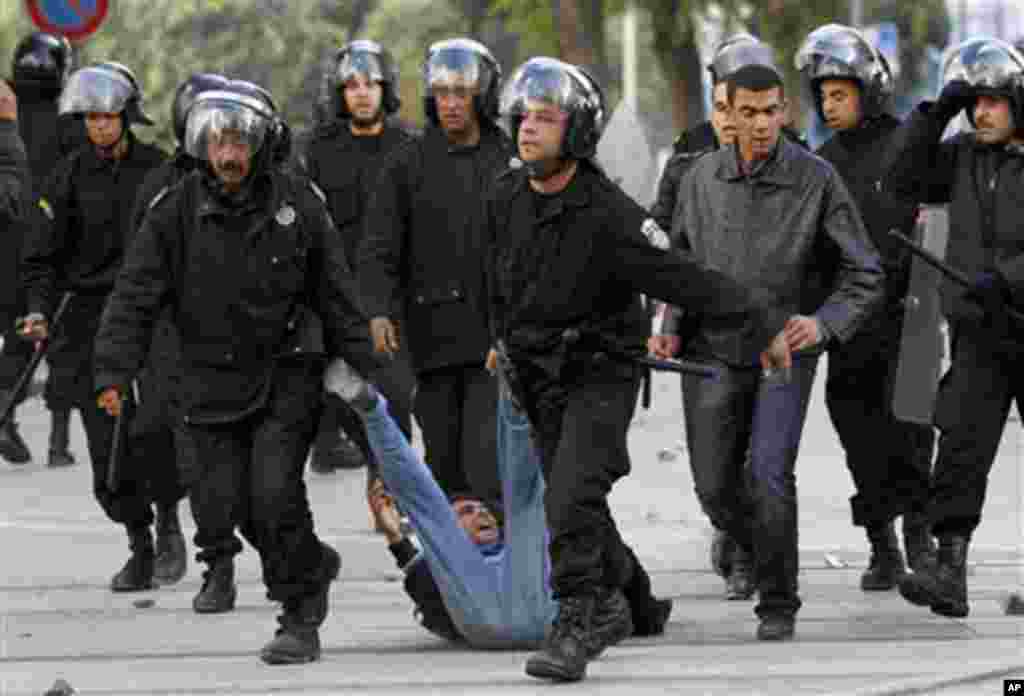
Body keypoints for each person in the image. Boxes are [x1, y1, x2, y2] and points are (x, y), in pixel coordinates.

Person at [485, 56, 794, 681]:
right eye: (524, 117)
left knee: (571, 496)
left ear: (575, 132)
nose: (529, 128)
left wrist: (760, 322)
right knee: (577, 503)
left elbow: (687, 277)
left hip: (600, 372)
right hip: (536, 374)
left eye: (546, 119)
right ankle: (637, 599)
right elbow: (494, 281)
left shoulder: (611, 215)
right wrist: (501, 345)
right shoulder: (503, 199)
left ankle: (582, 617)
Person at [91, 80, 406, 664]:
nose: (228, 155)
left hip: (286, 372)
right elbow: (133, 295)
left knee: (274, 495)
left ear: (263, 144)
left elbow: (339, 299)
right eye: (216, 143)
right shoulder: (173, 211)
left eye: (239, 142)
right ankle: (310, 562)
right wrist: (113, 371)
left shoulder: (300, 204)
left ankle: (299, 616)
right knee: (223, 507)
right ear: (199, 146)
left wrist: (376, 384)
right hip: (205, 378)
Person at [662, 59, 885, 641]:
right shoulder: (699, 179)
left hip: (784, 352)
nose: (761, 124)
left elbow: (865, 271)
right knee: (714, 486)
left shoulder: (816, 180)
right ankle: (759, 553)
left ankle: (778, 601)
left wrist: (824, 323)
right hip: (711, 349)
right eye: (748, 113)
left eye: (771, 112)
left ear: (783, 112)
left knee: (768, 474)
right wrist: (670, 320)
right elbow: (680, 264)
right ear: (727, 116)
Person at [326, 359, 672, 648]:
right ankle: (371, 407)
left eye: (480, 508)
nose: (481, 511)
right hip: (485, 615)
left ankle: (513, 392)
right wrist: (398, 541)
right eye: (466, 510)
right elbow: (417, 509)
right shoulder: (447, 565)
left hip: (535, 609)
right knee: (431, 503)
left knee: (527, 503)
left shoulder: (525, 548)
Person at [882, 37, 1024, 619]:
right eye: (974, 103)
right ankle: (949, 571)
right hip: (980, 335)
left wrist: (1008, 278)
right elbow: (900, 177)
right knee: (961, 447)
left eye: (994, 101)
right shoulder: (961, 154)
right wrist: (936, 110)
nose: (982, 113)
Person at [796, 23, 937, 591]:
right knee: (858, 433)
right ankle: (882, 545)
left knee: (912, 436)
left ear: (869, 89)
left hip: (913, 317)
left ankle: (923, 542)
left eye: (841, 94)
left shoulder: (909, 145)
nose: (830, 105)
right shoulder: (820, 163)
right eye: (823, 96)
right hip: (851, 324)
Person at [18, 62, 169, 592]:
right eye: (91, 117)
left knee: (156, 433)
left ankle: (169, 514)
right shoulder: (65, 178)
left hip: (151, 320)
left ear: (126, 115)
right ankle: (140, 539)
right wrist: (38, 308)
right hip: (84, 323)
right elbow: (40, 257)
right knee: (106, 448)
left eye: (109, 116)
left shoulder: (160, 170)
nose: (100, 126)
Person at [648, 33, 780, 595]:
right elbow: (666, 246)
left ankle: (756, 555)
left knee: (765, 463)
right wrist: (668, 323)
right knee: (713, 473)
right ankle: (737, 530)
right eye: (731, 98)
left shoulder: (791, 153)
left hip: (770, 333)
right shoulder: (687, 158)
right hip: (703, 335)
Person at [360, 37, 510, 504]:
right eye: (442, 93)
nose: (450, 104)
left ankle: (505, 564)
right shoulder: (405, 163)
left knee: (487, 464)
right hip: (431, 341)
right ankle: (460, 570)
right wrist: (379, 310)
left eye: (461, 93)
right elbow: (378, 246)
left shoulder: (511, 161)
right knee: (445, 465)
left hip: (496, 340)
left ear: (481, 95)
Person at [126, 72, 233, 599]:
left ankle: (218, 562)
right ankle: (165, 515)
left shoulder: (247, 183)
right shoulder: (161, 187)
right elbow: (137, 270)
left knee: (206, 454)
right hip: (165, 333)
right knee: (149, 436)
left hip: (224, 337)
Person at [300, 39, 415, 487]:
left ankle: (396, 491)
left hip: (389, 297)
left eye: (371, 84)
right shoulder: (318, 150)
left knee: (396, 399)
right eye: (351, 85)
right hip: (332, 294)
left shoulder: (407, 148)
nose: (362, 93)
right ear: (340, 93)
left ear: (385, 90)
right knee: (331, 395)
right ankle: (343, 451)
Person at [0, 31, 84, 467]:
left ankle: (8, 415)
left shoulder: (5, 108)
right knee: (56, 339)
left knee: (16, 336)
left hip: (7, 236)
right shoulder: (68, 121)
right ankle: (57, 440)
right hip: (47, 243)